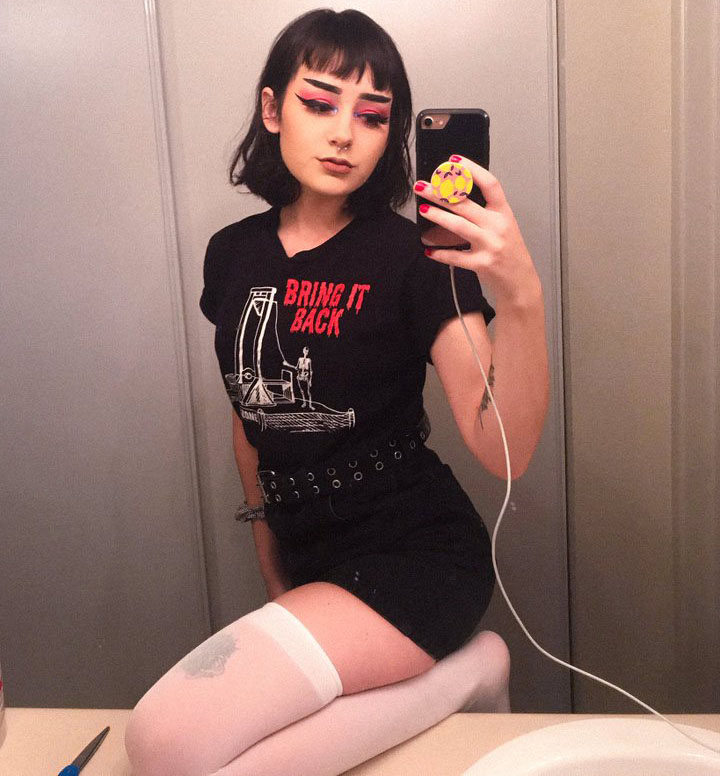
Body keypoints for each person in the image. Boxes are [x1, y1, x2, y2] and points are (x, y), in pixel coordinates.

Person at [125, 8, 548, 775]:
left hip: (417, 553)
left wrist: (521, 295)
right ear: (272, 108)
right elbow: (250, 416)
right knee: (201, 752)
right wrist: (270, 558)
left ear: (391, 134)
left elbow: (502, 449)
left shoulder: (418, 257)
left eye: (373, 115)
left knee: (164, 742)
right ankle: (471, 673)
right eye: (320, 103)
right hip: (309, 556)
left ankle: (469, 673)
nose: (345, 133)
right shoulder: (232, 255)